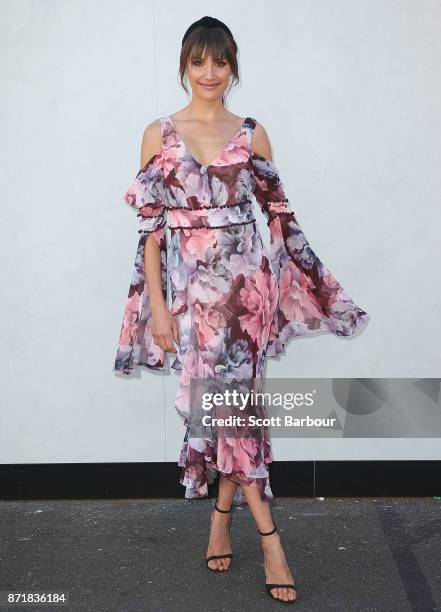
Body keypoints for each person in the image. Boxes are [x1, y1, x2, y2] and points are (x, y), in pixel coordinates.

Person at [114, 16, 369, 604]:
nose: (210, 73)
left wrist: (296, 290)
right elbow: (151, 232)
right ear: (183, 65)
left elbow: (278, 218)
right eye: (199, 61)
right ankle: (266, 534)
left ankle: (231, 521)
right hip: (191, 296)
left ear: (233, 66)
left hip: (245, 293)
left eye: (220, 61)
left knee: (236, 408)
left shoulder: (252, 134)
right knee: (228, 410)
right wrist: (157, 309)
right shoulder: (159, 133)